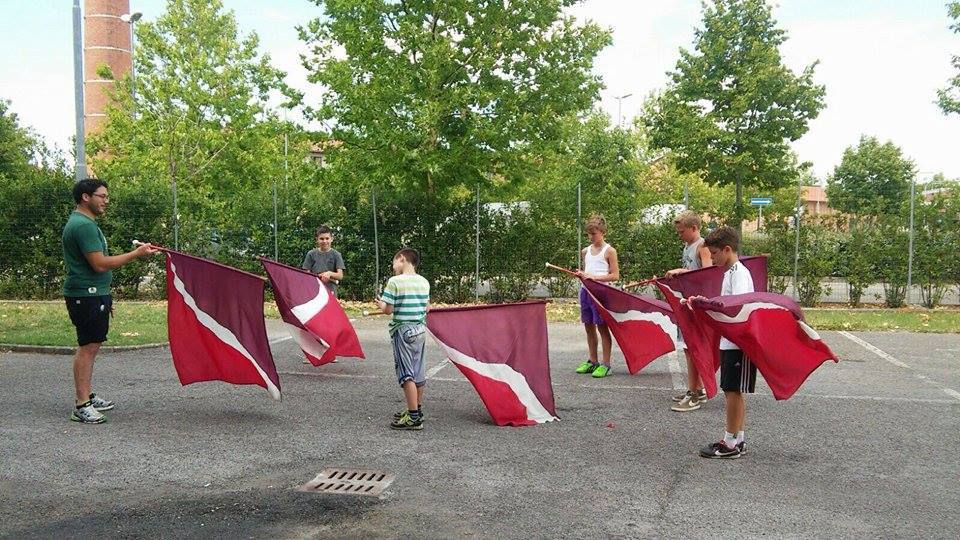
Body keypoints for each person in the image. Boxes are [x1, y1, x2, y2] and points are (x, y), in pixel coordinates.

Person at [62, 178, 157, 424]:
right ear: (86, 197)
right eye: (102, 196)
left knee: (92, 345)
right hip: (86, 293)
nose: (106, 200)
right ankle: (81, 404)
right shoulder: (83, 225)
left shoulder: (86, 223)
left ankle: (88, 396)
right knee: (88, 347)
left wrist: (105, 296)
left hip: (93, 293)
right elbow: (99, 264)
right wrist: (136, 254)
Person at [692, 226, 755, 459]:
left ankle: (729, 443)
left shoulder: (739, 272)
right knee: (733, 391)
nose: (712, 258)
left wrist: (707, 305)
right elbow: (725, 303)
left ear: (727, 250)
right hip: (730, 341)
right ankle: (738, 439)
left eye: (715, 254)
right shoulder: (729, 273)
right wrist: (705, 302)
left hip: (738, 342)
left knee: (732, 390)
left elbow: (735, 306)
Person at [374, 247, 430, 430]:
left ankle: (413, 417)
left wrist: (380, 303)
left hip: (403, 331)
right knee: (418, 373)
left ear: (402, 259)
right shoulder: (424, 282)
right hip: (420, 330)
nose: (394, 268)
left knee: (406, 374)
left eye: (394, 263)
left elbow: (388, 310)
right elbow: (427, 308)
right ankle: (416, 409)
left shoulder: (395, 282)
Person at [666, 210, 713, 412]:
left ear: (694, 228)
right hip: (686, 302)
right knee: (687, 348)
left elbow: (708, 272)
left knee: (692, 348)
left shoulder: (702, 246)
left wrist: (682, 272)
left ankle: (694, 392)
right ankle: (697, 388)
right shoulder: (687, 245)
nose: (679, 235)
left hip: (697, 305)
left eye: (682, 231)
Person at [574, 214, 620, 378]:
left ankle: (606, 364)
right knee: (588, 326)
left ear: (603, 232)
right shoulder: (585, 251)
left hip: (600, 293)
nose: (591, 237)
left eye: (594, 233)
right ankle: (592, 361)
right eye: (589, 234)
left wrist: (594, 278)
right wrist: (582, 275)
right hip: (585, 291)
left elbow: (615, 276)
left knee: (602, 328)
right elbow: (587, 272)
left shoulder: (610, 251)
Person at [302, 225, 346, 296]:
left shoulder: (337, 255)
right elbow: (306, 275)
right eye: (321, 239)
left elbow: (340, 276)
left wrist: (329, 273)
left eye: (327, 238)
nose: (324, 241)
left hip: (331, 292)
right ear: (317, 239)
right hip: (314, 291)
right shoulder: (311, 254)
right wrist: (317, 277)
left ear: (332, 239)